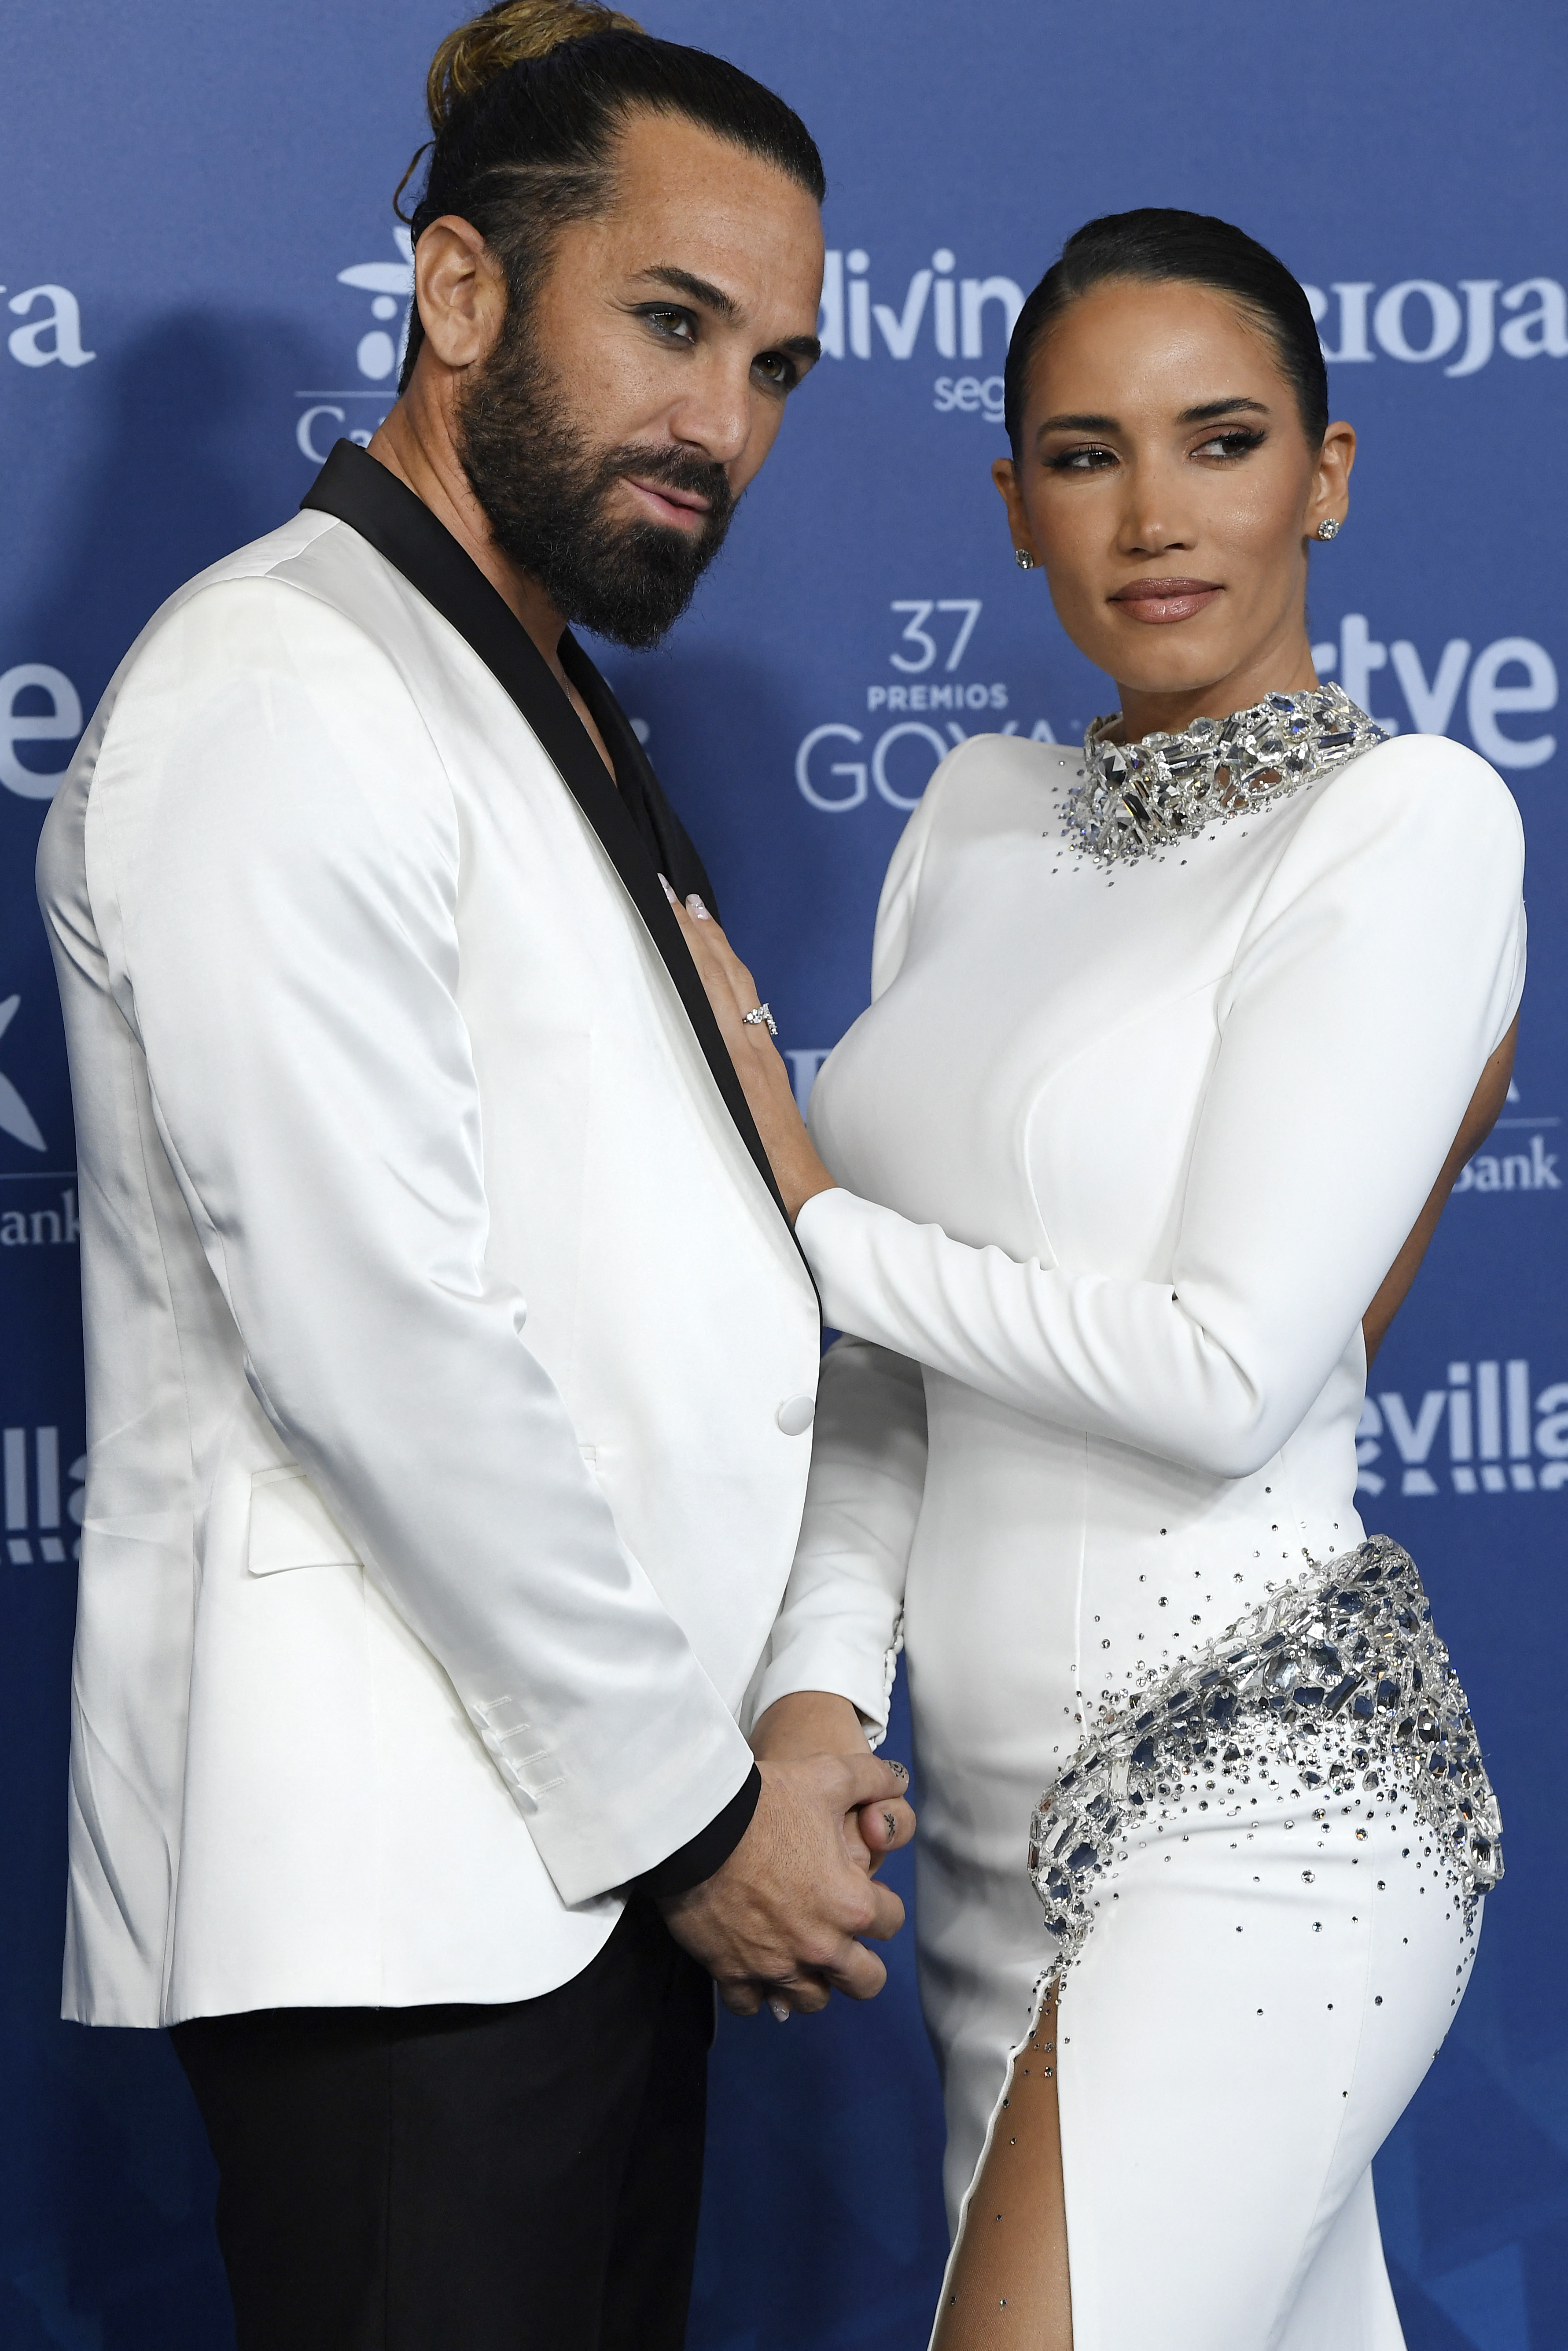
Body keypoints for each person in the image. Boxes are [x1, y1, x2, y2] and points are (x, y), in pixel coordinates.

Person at [36, 6, 913, 2345]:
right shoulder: (275, 685)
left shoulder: (546, 700)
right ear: (453, 294)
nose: (720, 424)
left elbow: (700, 1267)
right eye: (668, 322)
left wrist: (799, 1713)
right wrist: (696, 1812)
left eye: (776, 367)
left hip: (592, 1861)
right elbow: (379, 1330)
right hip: (410, 1902)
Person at [671, 209, 1522, 2348]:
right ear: (1014, 506)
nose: (1153, 517)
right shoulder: (973, 811)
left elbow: (1232, 1373)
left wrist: (812, 1209)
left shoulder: (1406, 825)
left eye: (1220, 442)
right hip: (986, 1839)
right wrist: (807, 1705)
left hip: (1270, 1795)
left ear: (1326, 473)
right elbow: (883, 1372)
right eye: (1083, 456)